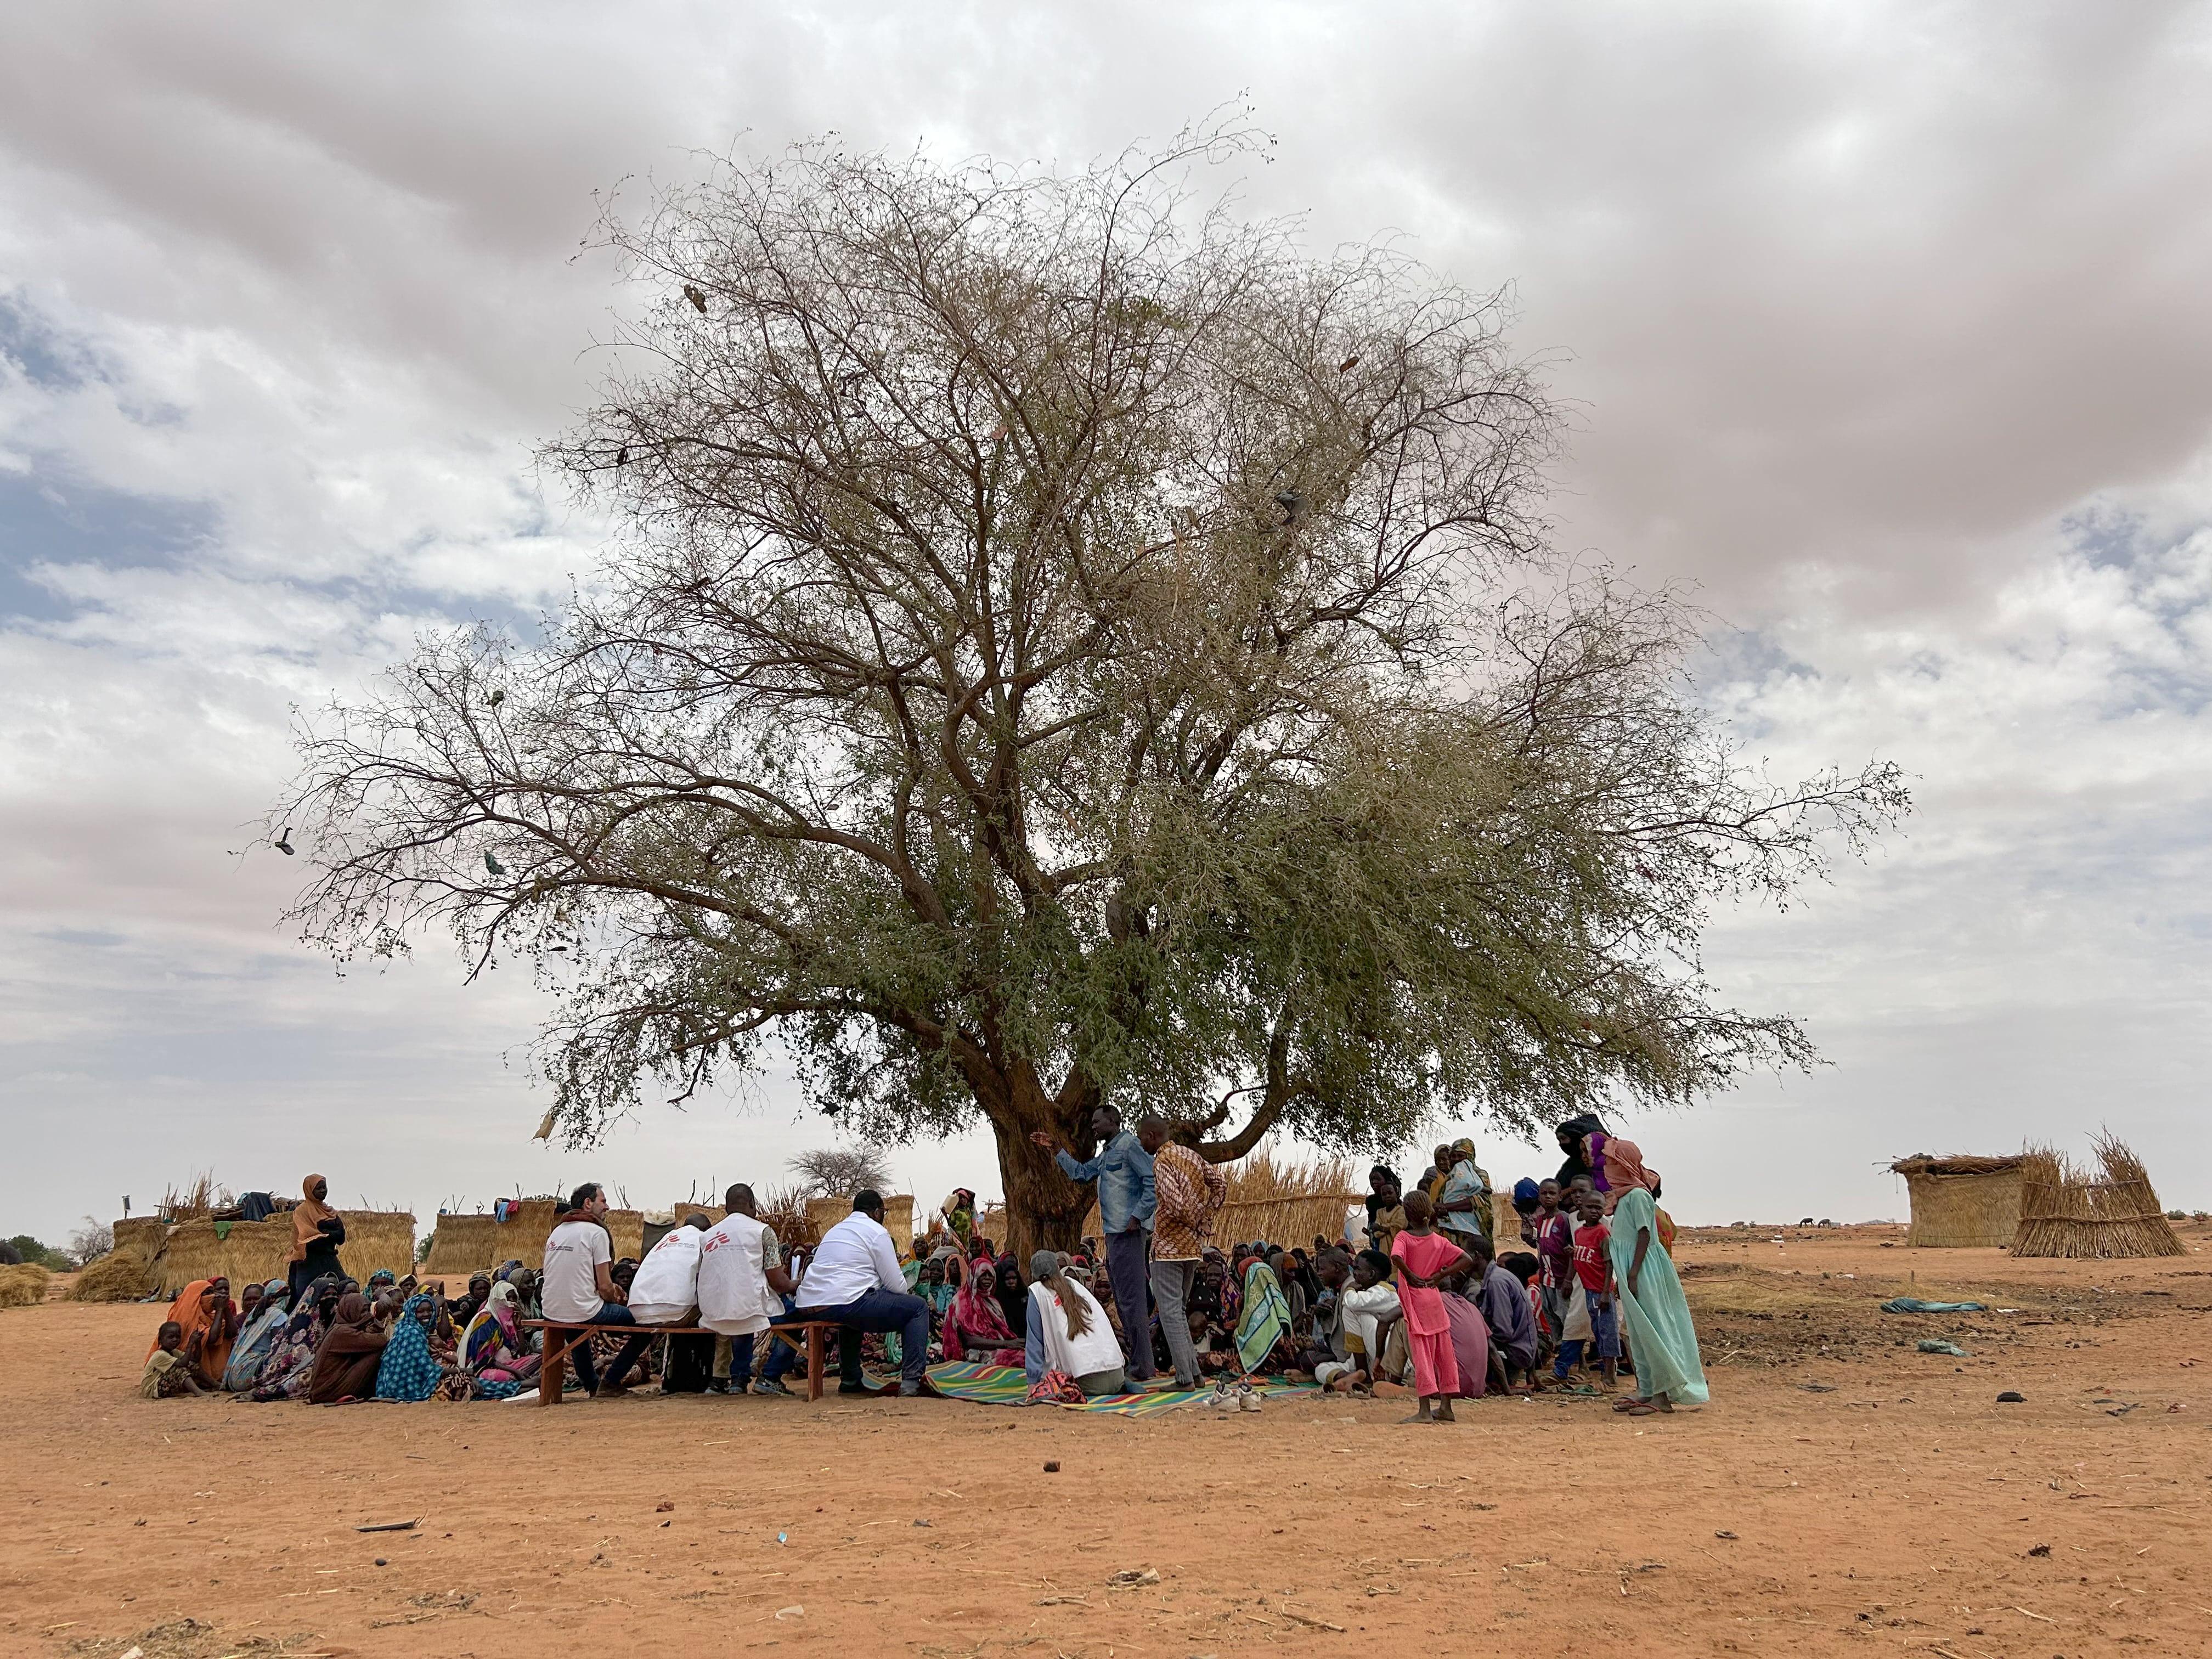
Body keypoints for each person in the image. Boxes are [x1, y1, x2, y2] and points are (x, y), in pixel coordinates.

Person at [1031, 1107, 1156, 1383]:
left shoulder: (1130, 1146)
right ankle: (1138, 1362)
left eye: (1097, 1122)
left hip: (1128, 1234)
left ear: (1113, 1121)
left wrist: (1138, 1215)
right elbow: (1081, 1173)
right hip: (1115, 1235)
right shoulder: (1109, 1153)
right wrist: (1055, 1149)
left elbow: (1151, 1182)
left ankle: (1144, 1367)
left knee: (1132, 1301)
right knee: (1124, 1301)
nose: (1094, 1127)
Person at [789, 1190, 933, 1396]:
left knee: (853, 1309)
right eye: (885, 1212)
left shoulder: (834, 1231)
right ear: (877, 1212)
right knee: (917, 1308)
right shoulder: (876, 1231)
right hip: (847, 1302)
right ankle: (911, 1382)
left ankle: (850, 1380)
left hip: (809, 1304)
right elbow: (898, 1287)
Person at [1609, 1185, 1707, 1415]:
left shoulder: (1639, 1196)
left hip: (1643, 1272)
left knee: (1652, 1332)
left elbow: (1645, 1234)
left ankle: (1661, 1396)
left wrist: (1633, 1274)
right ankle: (1646, 1390)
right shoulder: (1624, 1198)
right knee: (1636, 1335)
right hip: (1632, 1272)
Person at [697, 1183, 803, 1396]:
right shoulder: (762, 1231)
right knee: (796, 1317)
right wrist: (795, 1283)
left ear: (726, 1208)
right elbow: (778, 1282)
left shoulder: (707, 1236)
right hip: (748, 1307)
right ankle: (770, 1377)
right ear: (753, 1204)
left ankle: (738, 1380)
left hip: (712, 1311)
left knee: (742, 1313)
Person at [1148, 1122, 1228, 1388]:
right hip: (1192, 1248)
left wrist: (1195, 1220)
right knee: (1179, 1310)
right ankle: (1194, 1373)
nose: (1141, 1144)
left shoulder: (1162, 1162)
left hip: (1169, 1246)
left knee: (1170, 1312)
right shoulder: (1191, 1156)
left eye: (1142, 1139)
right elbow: (1220, 1183)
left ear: (1152, 1136)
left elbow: (1174, 1203)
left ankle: (1184, 1378)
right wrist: (1207, 1216)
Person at [1389, 1191, 1471, 1423]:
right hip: (1434, 1299)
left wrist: (1410, 1275)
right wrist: (1440, 1275)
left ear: (1407, 1213)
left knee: (1422, 1355)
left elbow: (1396, 1258)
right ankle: (1446, 1407)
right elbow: (1467, 1259)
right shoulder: (1439, 1240)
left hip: (1416, 1303)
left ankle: (1425, 1410)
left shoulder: (1404, 1238)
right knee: (1444, 1353)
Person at [1023, 1249, 1127, 1397]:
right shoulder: (1075, 1285)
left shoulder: (1038, 1292)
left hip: (1086, 1383)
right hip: (1118, 1376)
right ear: (1057, 1269)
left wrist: (1032, 1385)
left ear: (1034, 1275)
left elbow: (1035, 1343)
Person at [1553, 1189, 1619, 1388]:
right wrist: (1568, 1280)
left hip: (1601, 1291)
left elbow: (1609, 1263)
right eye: (1590, 1207)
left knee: (1608, 1331)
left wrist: (1607, 1292)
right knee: (1598, 1331)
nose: (1594, 1212)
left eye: (1598, 1208)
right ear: (1582, 1207)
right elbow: (1577, 1258)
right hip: (1589, 1291)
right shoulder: (1579, 1232)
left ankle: (1609, 1374)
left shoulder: (1602, 1233)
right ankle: (1604, 1373)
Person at [1470, 1235, 1539, 1393]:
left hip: (1515, 1354)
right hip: (1520, 1349)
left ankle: (1503, 1385)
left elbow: (1504, 1332)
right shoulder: (1496, 1277)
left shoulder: (1497, 1281)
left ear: (1476, 1256)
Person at [460, 1280, 542, 1398]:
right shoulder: (486, 1321)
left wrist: (519, 1328)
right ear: (498, 1299)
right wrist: (515, 1371)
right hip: (483, 1369)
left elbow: (521, 1353)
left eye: (514, 1298)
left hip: (509, 1364)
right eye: (508, 1298)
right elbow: (484, 1360)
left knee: (542, 1359)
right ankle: (527, 1384)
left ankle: (527, 1384)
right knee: (506, 1377)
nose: (512, 1302)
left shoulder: (508, 1321)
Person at [307, 1292, 389, 1404]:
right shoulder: (341, 1332)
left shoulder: (342, 1329)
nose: (368, 1315)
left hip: (326, 1389)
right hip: (326, 1392)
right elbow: (381, 1340)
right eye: (364, 1311)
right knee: (378, 1350)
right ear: (351, 1311)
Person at [941, 1257, 1024, 1365]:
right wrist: (1007, 1344)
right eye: (983, 1275)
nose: (987, 1279)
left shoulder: (992, 1302)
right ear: (974, 1276)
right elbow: (969, 1341)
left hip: (996, 1347)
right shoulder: (962, 1302)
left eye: (990, 1275)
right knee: (1020, 1360)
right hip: (973, 1353)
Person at [1521, 1178, 1573, 1340]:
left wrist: (1569, 1280)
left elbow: (1572, 1252)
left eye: (1552, 1193)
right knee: (1552, 1317)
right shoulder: (1540, 1220)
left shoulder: (1564, 1219)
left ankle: (1578, 1361)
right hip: (1545, 1279)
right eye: (1544, 1194)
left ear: (1560, 1197)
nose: (1548, 1197)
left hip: (1561, 1279)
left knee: (1567, 1320)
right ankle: (1561, 1352)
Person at [374, 1294, 449, 1402]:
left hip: (390, 1385)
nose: (426, 1314)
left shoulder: (405, 1327)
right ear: (412, 1312)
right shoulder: (413, 1333)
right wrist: (459, 1370)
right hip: (403, 1388)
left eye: (430, 1310)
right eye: (421, 1311)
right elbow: (428, 1369)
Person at [222, 1279, 292, 1391]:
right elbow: (278, 1349)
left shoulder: (255, 1314)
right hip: (249, 1374)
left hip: (236, 1375)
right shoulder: (278, 1315)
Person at [287, 1175, 345, 1300]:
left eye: (324, 1187)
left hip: (330, 1260)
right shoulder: (302, 1212)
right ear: (309, 1191)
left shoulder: (330, 1212)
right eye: (318, 1188)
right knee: (304, 1298)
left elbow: (341, 1238)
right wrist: (330, 1235)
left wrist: (324, 1234)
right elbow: (308, 1239)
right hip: (309, 1262)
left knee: (345, 1288)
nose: (323, 1191)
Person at [1437, 1266, 1490, 1400]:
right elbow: (1493, 1350)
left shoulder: (1435, 1301)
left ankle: (1396, 1378)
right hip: (1478, 1389)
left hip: (1452, 1388)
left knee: (1405, 1324)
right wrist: (1507, 1389)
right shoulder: (1469, 1306)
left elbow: (1387, 1319)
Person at [1435, 1139, 1493, 1251]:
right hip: (1452, 1235)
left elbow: (1477, 1202)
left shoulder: (1479, 1175)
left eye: (1461, 1156)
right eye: (1453, 1156)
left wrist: (1446, 1207)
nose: (1456, 1160)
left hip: (1474, 1235)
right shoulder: (1450, 1178)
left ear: (1470, 1157)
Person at [142, 1321, 211, 1398]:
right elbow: (183, 1364)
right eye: (171, 1337)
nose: (175, 1340)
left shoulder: (174, 1352)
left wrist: (197, 1343)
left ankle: (214, 1384)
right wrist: (190, 1344)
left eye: (178, 1337)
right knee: (180, 1371)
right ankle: (199, 1392)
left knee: (192, 1364)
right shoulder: (160, 1355)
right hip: (151, 1390)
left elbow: (195, 1359)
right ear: (161, 1340)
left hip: (161, 1385)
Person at [1364, 1167, 1408, 1259]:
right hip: (1378, 1243)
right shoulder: (1371, 1202)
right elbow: (1374, 1226)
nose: (1374, 1182)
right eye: (1372, 1179)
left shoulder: (1400, 1208)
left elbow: (1398, 1227)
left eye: (1378, 1179)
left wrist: (1381, 1228)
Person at [1553, 1114, 1605, 1189]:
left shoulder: (1602, 1165)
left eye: (1563, 1138)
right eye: (1559, 1140)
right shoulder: (1570, 1165)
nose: (1561, 1144)